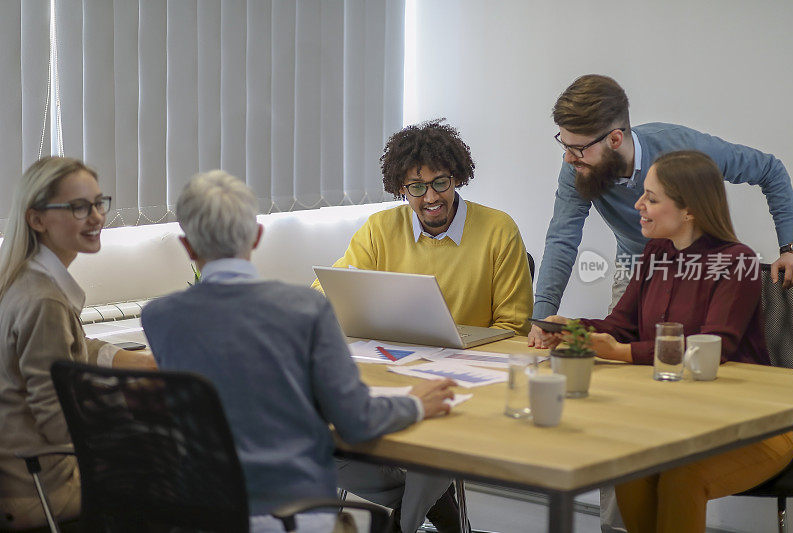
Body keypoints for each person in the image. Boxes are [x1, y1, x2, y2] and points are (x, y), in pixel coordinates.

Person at [141, 171, 456, 533]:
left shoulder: (159, 317)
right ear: (257, 236)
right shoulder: (305, 307)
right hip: (294, 516)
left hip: (202, 514)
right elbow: (356, 420)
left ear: (187, 246)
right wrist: (415, 402)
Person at [534, 150, 793, 533]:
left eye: (652, 199)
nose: (638, 205)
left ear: (689, 209)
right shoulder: (656, 254)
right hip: (681, 420)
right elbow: (620, 326)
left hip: (754, 425)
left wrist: (622, 353)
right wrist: (569, 328)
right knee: (630, 464)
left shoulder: (736, 263)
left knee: (681, 478)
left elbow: (713, 347)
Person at [313, 119, 533, 532]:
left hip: (466, 372)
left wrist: (461, 345)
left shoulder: (498, 229)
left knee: (434, 428)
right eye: (417, 187)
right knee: (317, 428)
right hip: (388, 366)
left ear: (458, 178)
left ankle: (405, 524)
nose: (431, 197)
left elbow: (514, 325)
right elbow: (331, 291)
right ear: (402, 189)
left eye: (440, 183)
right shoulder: (380, 229)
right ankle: (434, 506)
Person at [532, 74, 793, 332]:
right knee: (622, 353)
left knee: (698, 355)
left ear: (614, 139)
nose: (568, 158)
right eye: (564, 145)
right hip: (636, 269)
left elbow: (769, 170)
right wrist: (542, 321)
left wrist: (790, 247)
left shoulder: (683, 149)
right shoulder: (578, 166)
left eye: (577, 148)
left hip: (701, 268)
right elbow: (562, 239)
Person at [0, 156, 156, 530]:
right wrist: (128, 418)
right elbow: (55, 417)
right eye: (78, 207)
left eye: (99, 203)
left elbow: (73, 345)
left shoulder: (25, 281)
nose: (97, 217)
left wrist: (141, 363)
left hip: (25, 475)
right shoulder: (44, 301)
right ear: (37, 220)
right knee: (181, 473)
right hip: (40, 489)